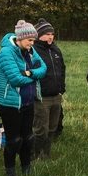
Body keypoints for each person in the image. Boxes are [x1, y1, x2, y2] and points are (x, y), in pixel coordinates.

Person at [0, 20, 47, 176]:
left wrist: (29, 73)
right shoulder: (6, 53)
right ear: (20, 38)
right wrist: (33, 75)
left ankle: (26, 166)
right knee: (14, 139)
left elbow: (43, 69)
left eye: (33, 40)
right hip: (10, 103)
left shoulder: (30, 50)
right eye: (30, 40)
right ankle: (10, 170)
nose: (32, 43)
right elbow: (15, 79)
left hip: (28, 101)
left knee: (28, 137)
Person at [31, 18, 66, 159]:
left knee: (52, 128)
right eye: (47, 34)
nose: (50, 36)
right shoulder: (33, 51)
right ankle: (34, 155)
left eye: (52, 33)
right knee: (41, 129)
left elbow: (62, 69)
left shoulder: (56, 50)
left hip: (56, 96)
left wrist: (61, 88)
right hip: (41, 97)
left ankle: (46, 155)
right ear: (38, 35)